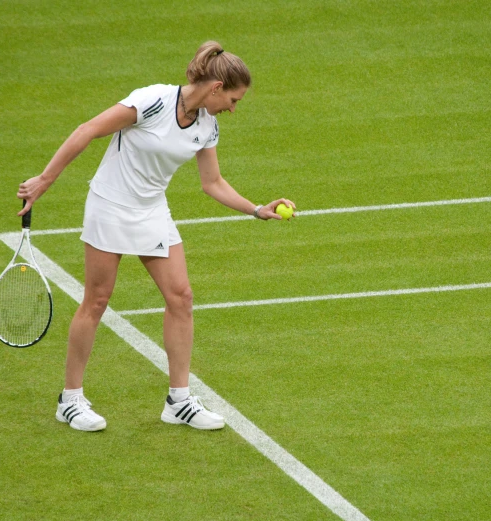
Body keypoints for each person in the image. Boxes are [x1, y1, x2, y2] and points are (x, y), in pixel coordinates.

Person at [16, 41, 295, 432]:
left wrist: (255, 208)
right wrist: (45, 180)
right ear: (216, 88)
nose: (233, 109)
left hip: (151, 211)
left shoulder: (207, 126)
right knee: (96, 301)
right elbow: (88, 130)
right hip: (110, 204)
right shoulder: (152, 101)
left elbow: (212, 183)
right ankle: (71, 400)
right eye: (233, 100)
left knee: (181, 297)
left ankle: (178, 401)